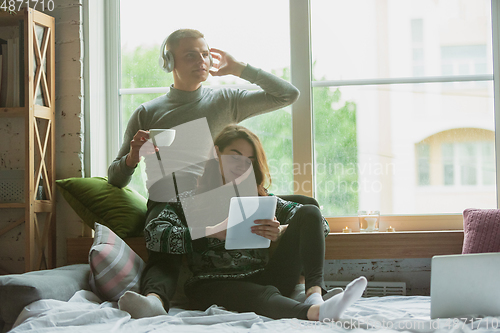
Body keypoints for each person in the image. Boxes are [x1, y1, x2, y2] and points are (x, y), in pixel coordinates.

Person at [111, 29, 300, 318]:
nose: (202, 60)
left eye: (205, 53)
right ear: (169, 62)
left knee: (305, 208)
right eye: (191, 55)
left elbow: (288, 94)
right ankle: (154, 300)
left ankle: (303, 289)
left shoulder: (226, 99)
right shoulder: (147, 112)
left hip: (216, 197)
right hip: (171, 200)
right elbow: (114, 178)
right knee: (163, 231)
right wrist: (133, 157)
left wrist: (239, 69)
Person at [122, 125, 368, 322]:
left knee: (310, 210)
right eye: (235, 156)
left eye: (249, 159)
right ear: (217, 153)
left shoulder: (259, 196)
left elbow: (319, 225)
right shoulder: (190, 199)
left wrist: (280, 231)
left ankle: (315, 296)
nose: (242, 165)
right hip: (211, 284)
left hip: (264, 276)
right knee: (260, 295)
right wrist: (211, 232)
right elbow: (155, 234)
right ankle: (313, 314)